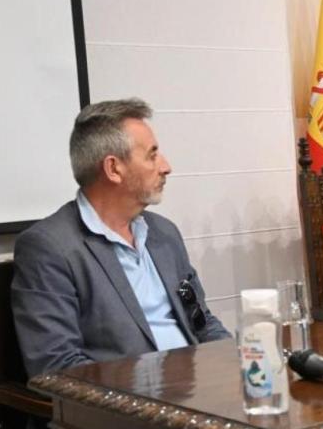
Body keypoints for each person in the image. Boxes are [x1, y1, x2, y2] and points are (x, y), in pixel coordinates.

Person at [12, 98, 230, 380]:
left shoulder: (164, 233)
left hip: (196, 393)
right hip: (122, 412)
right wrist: (159, 390)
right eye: (152, 155)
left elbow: (202, 324)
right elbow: (57, 365)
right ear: (114, 169)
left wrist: (238, 362)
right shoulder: (49, 248)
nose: (166, 167)